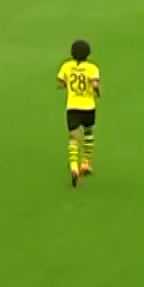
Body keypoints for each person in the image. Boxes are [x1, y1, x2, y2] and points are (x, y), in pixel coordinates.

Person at [57, 38, 101, 186]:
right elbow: (95, 84)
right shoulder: (92, 68)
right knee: (88, 134)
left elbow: (60, 83)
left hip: (73, 107)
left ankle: (74, 167)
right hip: (88, 106)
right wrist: (97, 92)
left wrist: (69, 86)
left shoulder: (66, 66)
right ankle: (86, 163)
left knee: (74, 138)